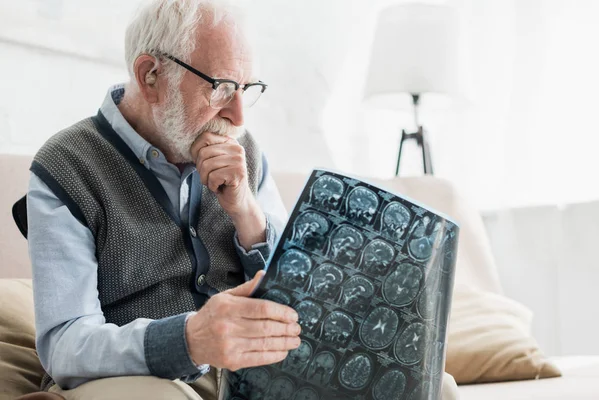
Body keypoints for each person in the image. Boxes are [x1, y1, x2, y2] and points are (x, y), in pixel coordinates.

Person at [26, 1, 460, 399]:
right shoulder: (67, 167)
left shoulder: (245, 151)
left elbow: (303, 297)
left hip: (257, 371)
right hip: (146, 381)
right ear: (150, 76)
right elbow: (65, 344)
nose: (238, 116)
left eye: (246, 88)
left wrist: (247, 214)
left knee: (434, 388)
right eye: (220, 88)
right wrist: (189, 338)